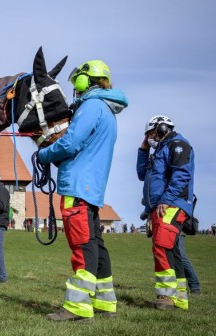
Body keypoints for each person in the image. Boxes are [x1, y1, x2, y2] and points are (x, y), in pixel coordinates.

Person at [38, 60, 128, 321]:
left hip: (77, 185)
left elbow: (70, 142)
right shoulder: (107, 110)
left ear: (84, 80)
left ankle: (77, 307)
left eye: (76, 80)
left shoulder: (91, 107)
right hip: (92, 188)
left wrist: (44, 155)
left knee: (82, 244)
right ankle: (105, 303)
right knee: (95, 244)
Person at [137, 115, 195, 310]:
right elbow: (141, 174)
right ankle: (180, 298)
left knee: (161, 246)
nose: (150, 138)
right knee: (172, 250)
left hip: (172, 204)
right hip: (160, 206)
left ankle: (166, 297)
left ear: (162, 128)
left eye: (152, 133)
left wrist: (165, 199)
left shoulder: (178, 145)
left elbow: (182, 174)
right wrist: (143, 149)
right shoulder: (160, 150)